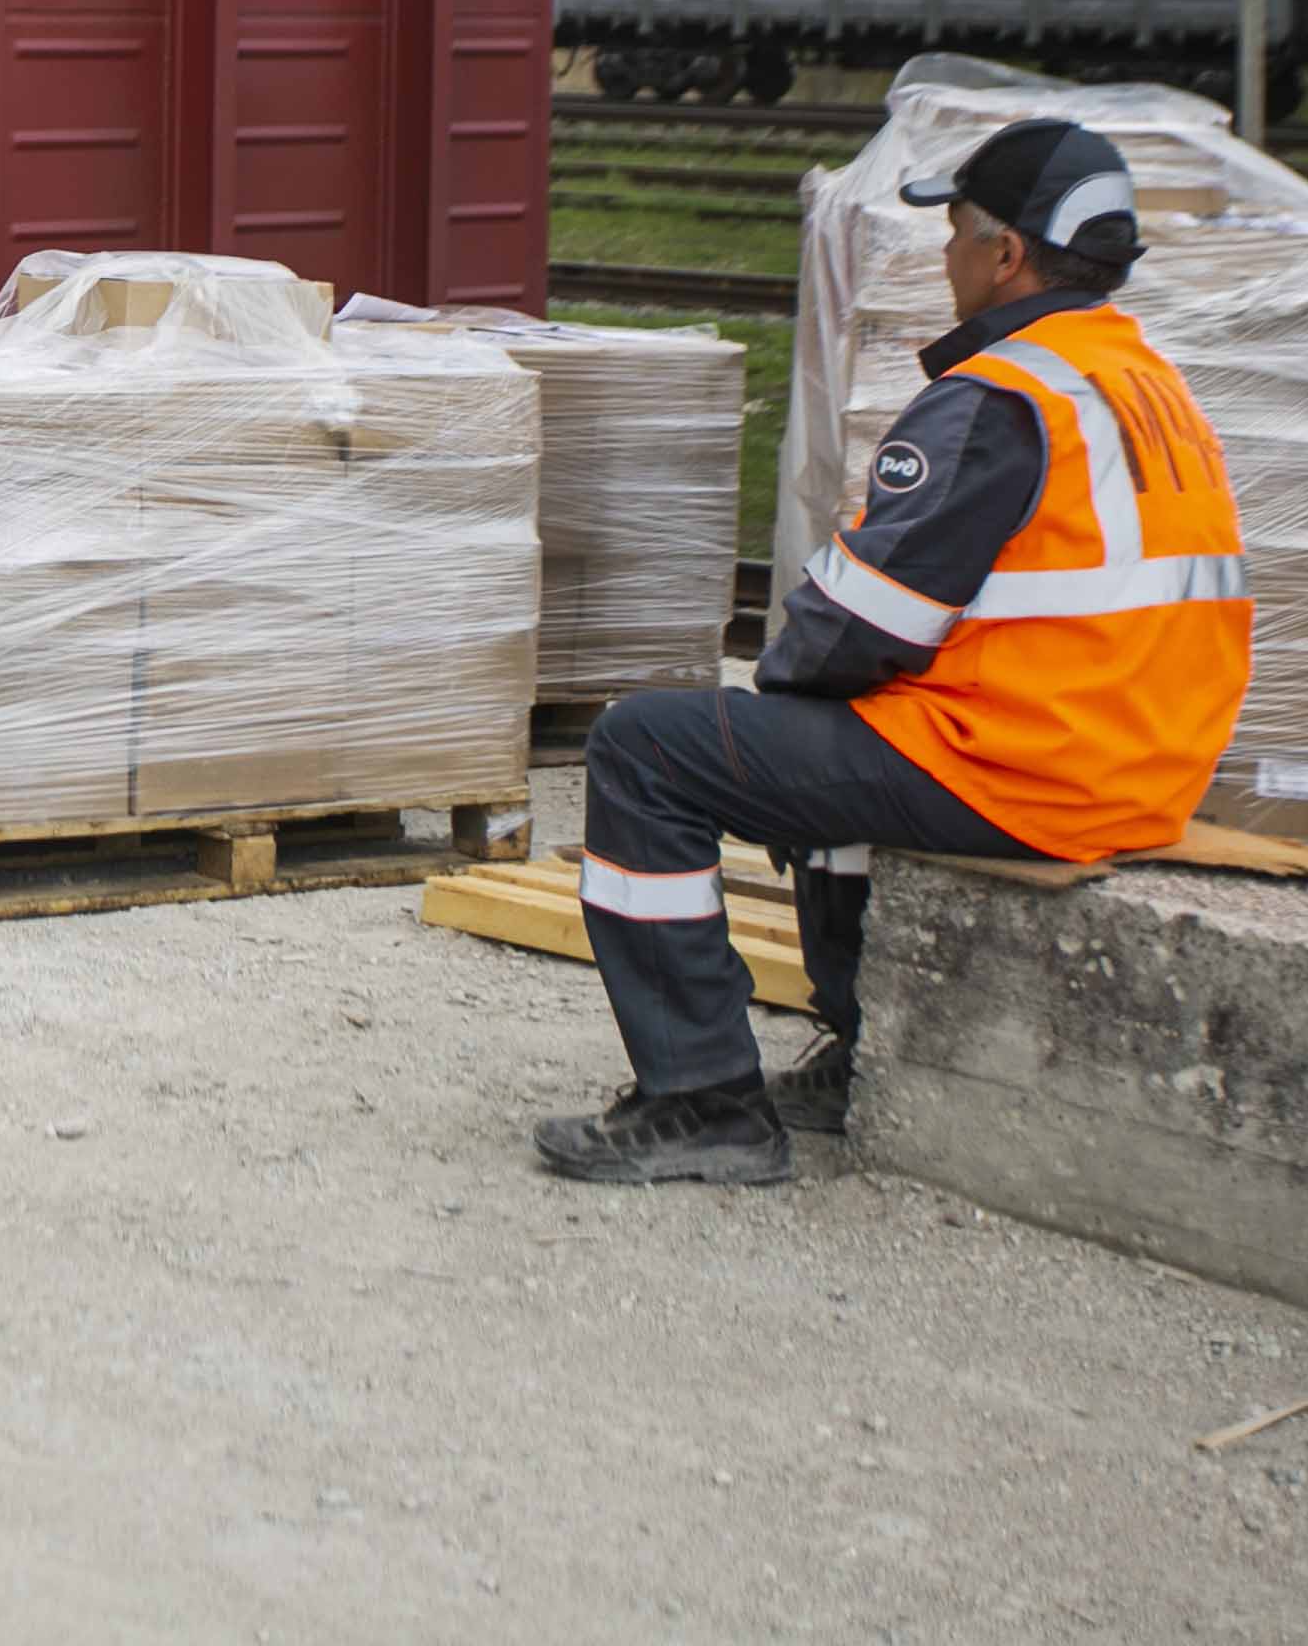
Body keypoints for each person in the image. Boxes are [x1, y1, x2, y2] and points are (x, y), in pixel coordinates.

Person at [533, 117, 1253, 1186]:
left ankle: (702, 1100)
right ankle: (860, 1049)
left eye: (958, 231)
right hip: (1136, 768)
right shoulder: (1144, 384)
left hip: (1026, 769)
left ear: (1005, 253)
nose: (948, 255)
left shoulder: (1000, 399)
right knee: (828, 736)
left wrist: (778, 696)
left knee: (648, 748)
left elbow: (853, 629)